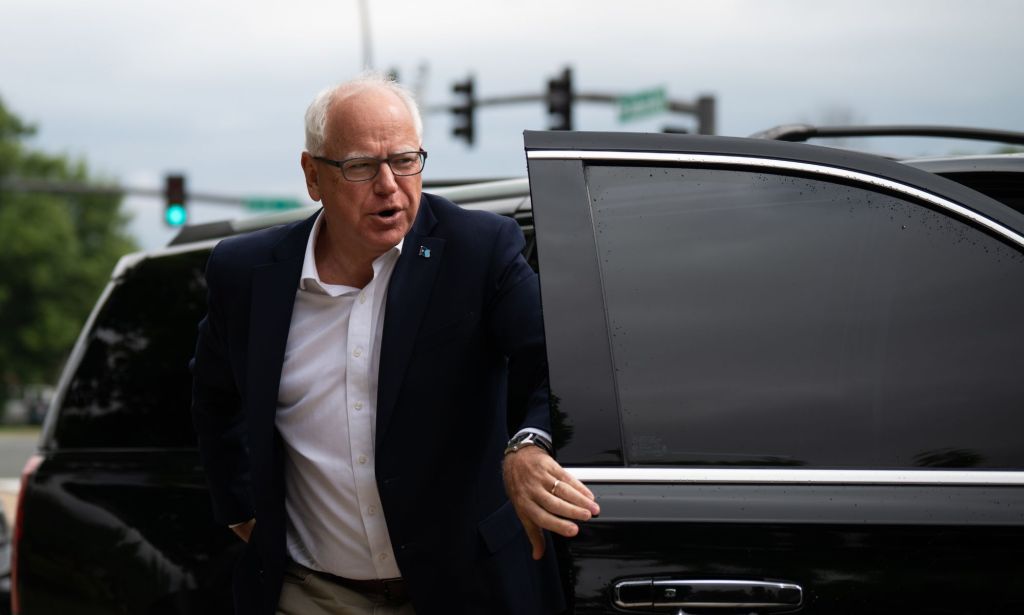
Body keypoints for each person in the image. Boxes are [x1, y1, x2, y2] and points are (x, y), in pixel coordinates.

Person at [190, 72, 600, 615]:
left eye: (405, 161)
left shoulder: (477, 251)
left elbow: (559, 362)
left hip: (464, 588)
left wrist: (527, 443)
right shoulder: (246, 275)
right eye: (361, 166)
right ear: (313, 175)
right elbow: (215, 395)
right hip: (311, 591)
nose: (389, 185)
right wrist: (239, 506)